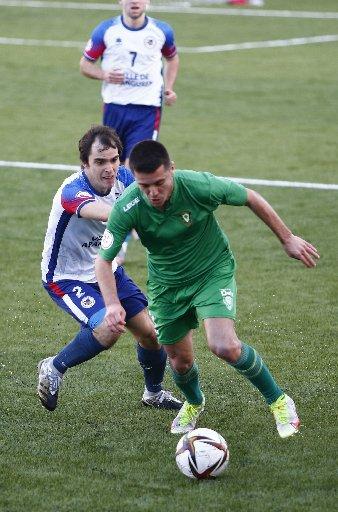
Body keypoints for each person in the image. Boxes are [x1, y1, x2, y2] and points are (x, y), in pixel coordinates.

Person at [95, 139, 320, 439]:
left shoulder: (198, 185)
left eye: (160, 183)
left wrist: (287, 238)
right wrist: (112, 304)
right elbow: (103, 261)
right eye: (145, 185)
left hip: (212, 272)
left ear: (172, 170)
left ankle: (279, 400)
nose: (153, 193)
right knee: (179, 360)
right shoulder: (128, 206)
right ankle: (194, 402)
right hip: (167, 287)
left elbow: (250, 197)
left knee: (224, 345)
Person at [37, 126, 182, 413]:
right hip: (67, 277)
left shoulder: (125, 178)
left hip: (107, 269)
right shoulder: (72, 192)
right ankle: (53, 367)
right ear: (85, 164)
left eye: (114, 160)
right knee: (109, 327)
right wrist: (142, 216)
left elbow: (152, 193)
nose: (109, 169)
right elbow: (107, 213)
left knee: (152, 334)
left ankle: (153, 393)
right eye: (100, 162)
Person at [79, 0, 179, 168]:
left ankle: (134, 194)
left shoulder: (162, 31)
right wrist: (104, 75)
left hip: (147, 109)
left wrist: (169, 88)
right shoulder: (106, 30)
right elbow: (85, 65)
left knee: (135, 165)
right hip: (114, 107)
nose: (134, 1)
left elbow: (172, 58)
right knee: (111, 165)